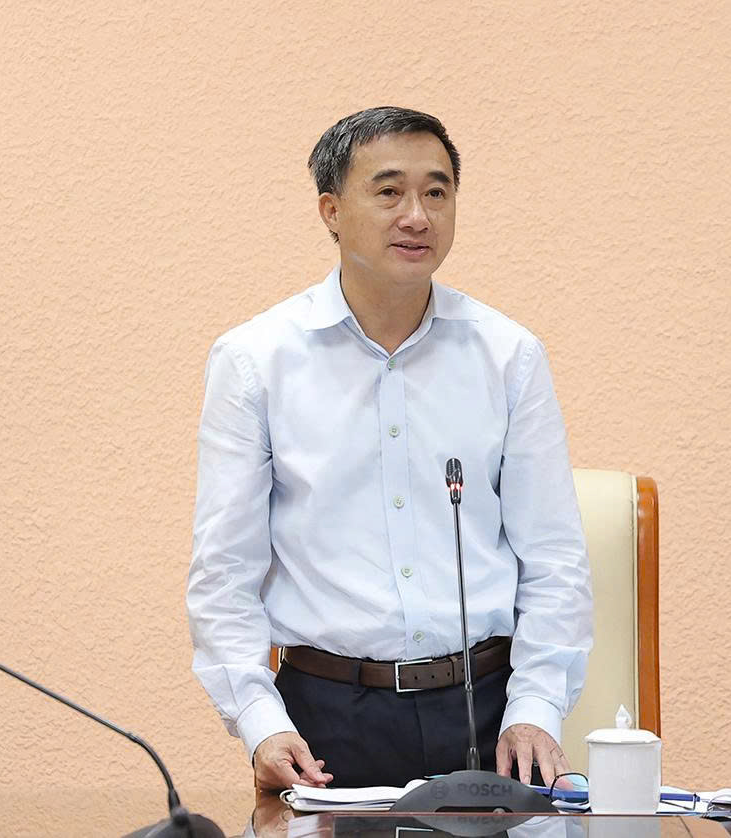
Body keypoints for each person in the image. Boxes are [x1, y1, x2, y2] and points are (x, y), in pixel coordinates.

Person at [187, 106, 592, 791]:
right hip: (326, 720)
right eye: (389, 191)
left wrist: (536, 709)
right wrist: (259, 721)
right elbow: (224, 573)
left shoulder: (508, 355)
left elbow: (554, 558)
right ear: (331, 211)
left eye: (436, 192)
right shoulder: (256, 361)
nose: (417, 216)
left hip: (487, 712)